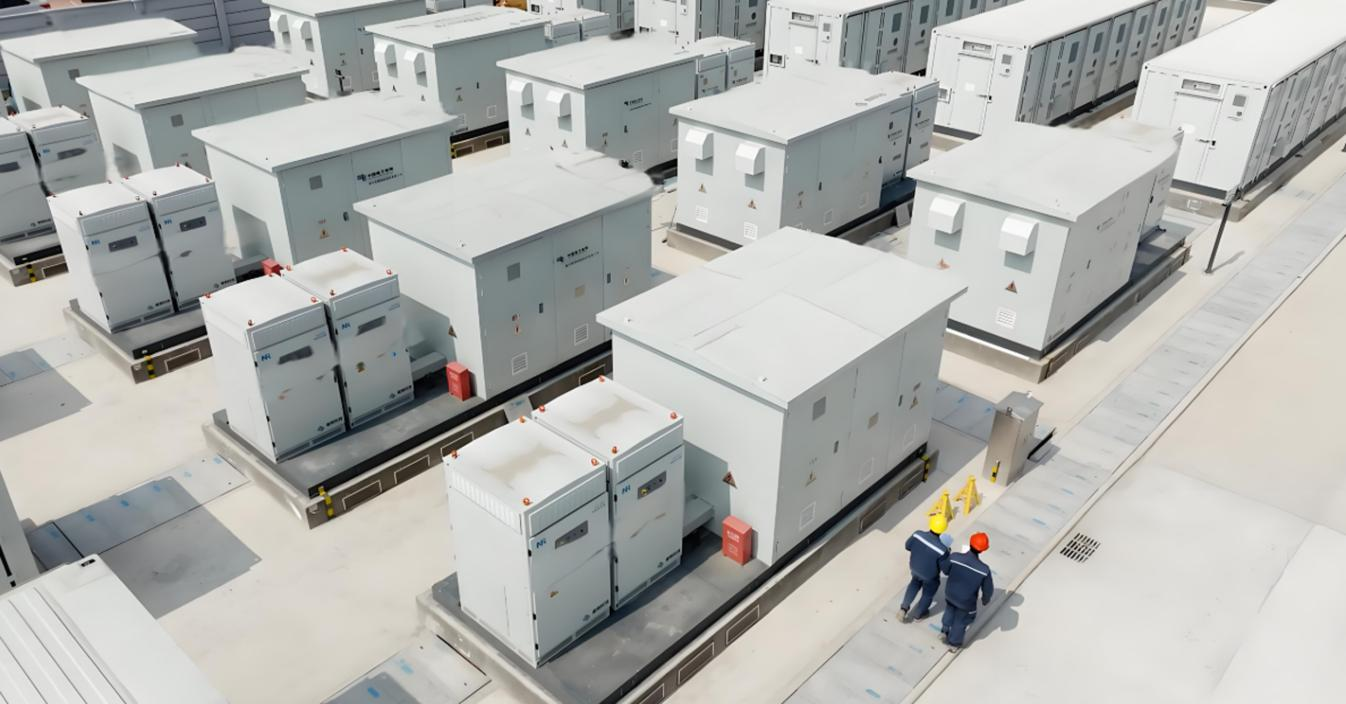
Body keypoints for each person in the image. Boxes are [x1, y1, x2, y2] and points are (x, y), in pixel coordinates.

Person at [941, 531, 994, 652]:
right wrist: (985, 600)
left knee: (950, 609)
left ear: (970, 543)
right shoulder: (984, 570)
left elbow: (945, 570)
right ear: (983, 550)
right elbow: (988, 589)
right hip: (966, 602)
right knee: (961, 621)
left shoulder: (955, 557)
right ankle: (953, 643)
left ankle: (944, 630)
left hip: (950, 594)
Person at [899, 514, 951, 623]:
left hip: (914, 568)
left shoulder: (917, 535)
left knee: (914, 584)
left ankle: (904, 608)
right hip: (930, 576)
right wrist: (948, 554)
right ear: (943, 530)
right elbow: (946, 569)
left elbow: (907, 546)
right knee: (928, 593)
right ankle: (919, 614)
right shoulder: (942, 550)